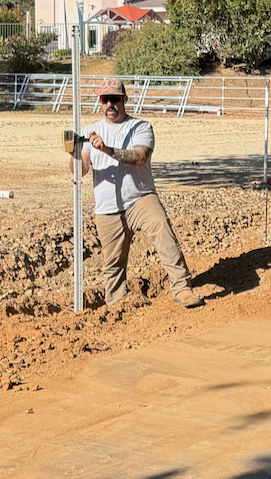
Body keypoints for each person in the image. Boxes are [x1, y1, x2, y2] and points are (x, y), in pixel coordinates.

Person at [75, 77, 204, 309]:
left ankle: (182, 289)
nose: (110, 104)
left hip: (140, 198)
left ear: (124, 99)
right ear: (100, 102)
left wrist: (106, 149)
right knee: (112, 263)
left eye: (115, 99)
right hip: (107, 208)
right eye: (105, 99)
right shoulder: (90, 131)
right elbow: (82, 169)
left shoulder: (141, 127)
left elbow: (139, 158)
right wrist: (74, 153)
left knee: (162, 230)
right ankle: (117, 307)